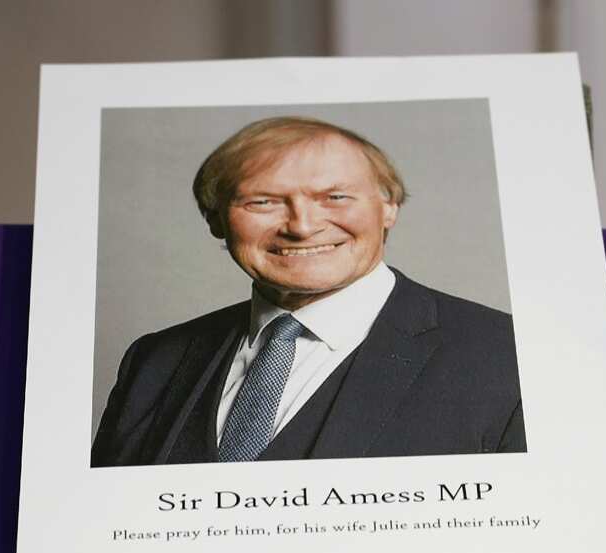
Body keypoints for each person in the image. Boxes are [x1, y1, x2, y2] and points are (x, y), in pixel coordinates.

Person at [90, 116, 525, 466]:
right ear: (216, 220)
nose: (301, 226)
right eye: (263, 201)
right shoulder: (155, 361)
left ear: (389, 206)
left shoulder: (507, 354)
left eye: (335, 197)